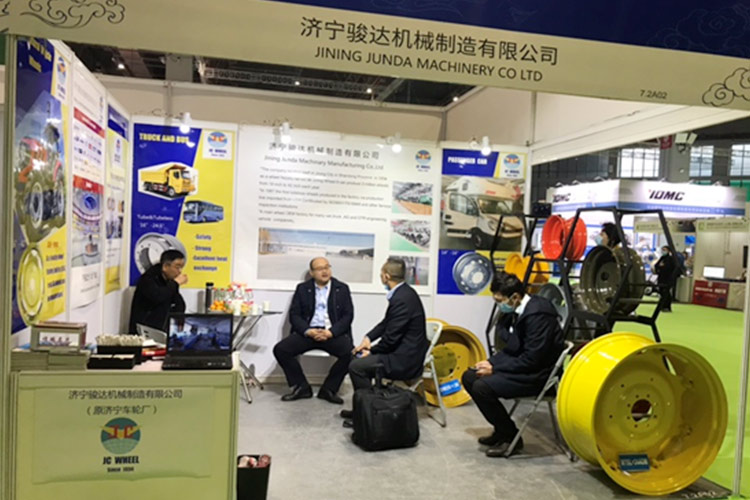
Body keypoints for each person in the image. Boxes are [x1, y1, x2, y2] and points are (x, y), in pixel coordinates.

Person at [462, 271, 564, 458]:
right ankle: (501, 430)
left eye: (500, 300)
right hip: (524, 368)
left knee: (482, 387)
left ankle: (511, 437)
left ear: (515, 297)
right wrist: (490, 362)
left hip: (540, 375)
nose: (498, 305)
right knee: (470, 376)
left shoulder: (539, 315)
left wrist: (495, 369)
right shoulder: (517, 312)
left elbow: (532, 359)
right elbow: (513, 349)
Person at [340, 258, 429, 425]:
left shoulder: (402, 299)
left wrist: (371, 351)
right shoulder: (404, 293)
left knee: (357, 367)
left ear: (386, 276)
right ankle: (362, 409)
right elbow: (386, 323)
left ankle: (368, 414)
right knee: (355, 358)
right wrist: (368, 338)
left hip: (404, 359)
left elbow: (390, 339)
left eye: (381, 273)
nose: (381, 276)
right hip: (401, 351)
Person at [273, 257, 354, 404]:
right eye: (320, 268)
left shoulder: (342, 288)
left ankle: (329, 389)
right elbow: (294, 315)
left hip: (331, 333)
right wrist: (308, 331)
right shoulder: (302, 289)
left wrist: (331, 332)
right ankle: (301, 387)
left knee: (351, 354)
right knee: (281, 350)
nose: (325, 271)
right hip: (309, 333)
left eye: (327, 267)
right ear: (311, 273)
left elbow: (348, 316)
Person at [128, 249, 187, 333]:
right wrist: (175, 283)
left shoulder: (169, 282)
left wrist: (179, 320)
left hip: (160, 329)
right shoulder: (148, 279)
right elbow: (158, 297)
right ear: (165, 266)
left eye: (181, 268)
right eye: (177, 267)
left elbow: (179, 303)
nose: (180, 271)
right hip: (144, 330)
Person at [654, 246, 677, 312]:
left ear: (668, 251)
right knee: (661, 291)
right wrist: (659, 268)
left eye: (664, 250)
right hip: (661, 277)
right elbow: (656, 265)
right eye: (662, 250)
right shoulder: (662, 258)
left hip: (668, 278)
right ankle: (662, 305)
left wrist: (663, 267)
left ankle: (667, 306)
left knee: (666, 292)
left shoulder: (671, 259)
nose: (663, 251)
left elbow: (672, 268)